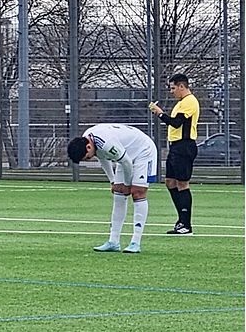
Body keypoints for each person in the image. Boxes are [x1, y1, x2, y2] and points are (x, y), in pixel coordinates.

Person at [67, 123, 157, 254]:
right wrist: (113, 181)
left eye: (87, 156)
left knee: (138, 192)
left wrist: (127, 185)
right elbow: (103, 158)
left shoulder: (106, 143)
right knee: (118, 194)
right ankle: (113, 241)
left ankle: (135, 242)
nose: (90, 158)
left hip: (143, 151)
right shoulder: (89, 139)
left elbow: (126, 162)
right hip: (125, 155)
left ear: (88, 146)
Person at [149, 73, 200, 235]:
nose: (172, 91)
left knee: (182, 184)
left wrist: (159, 113)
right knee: (170, 182)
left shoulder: (190, 101)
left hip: (184, 147)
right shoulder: (181, 103)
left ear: (182, 86)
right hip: (176, 147)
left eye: (173, 88)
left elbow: (176, 123)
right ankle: (181, 220)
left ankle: (186, 224)